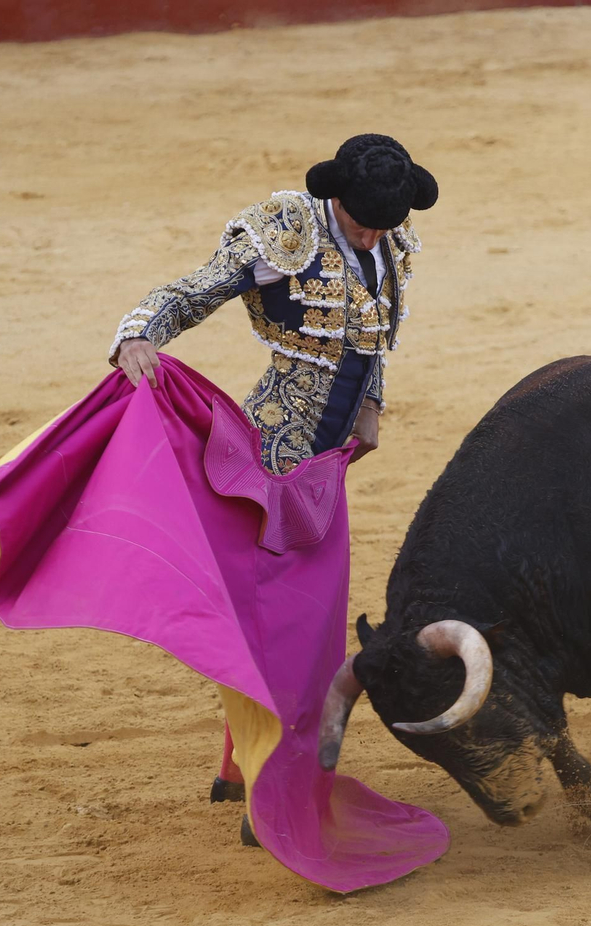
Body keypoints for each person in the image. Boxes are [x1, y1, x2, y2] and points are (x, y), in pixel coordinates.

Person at [105, 134, 438, 839]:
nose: (373, 236)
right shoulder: (286, 232)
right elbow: (196, 290)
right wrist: (139, 334)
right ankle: (267, 789)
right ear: (335, 199)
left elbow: (370, 332)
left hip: (328, 467)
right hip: (273, 462)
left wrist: (371, 405)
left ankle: (238, 767)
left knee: (295, 626)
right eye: (362, 224)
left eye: (383, 225)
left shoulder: (388, 235)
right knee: (284, 630)